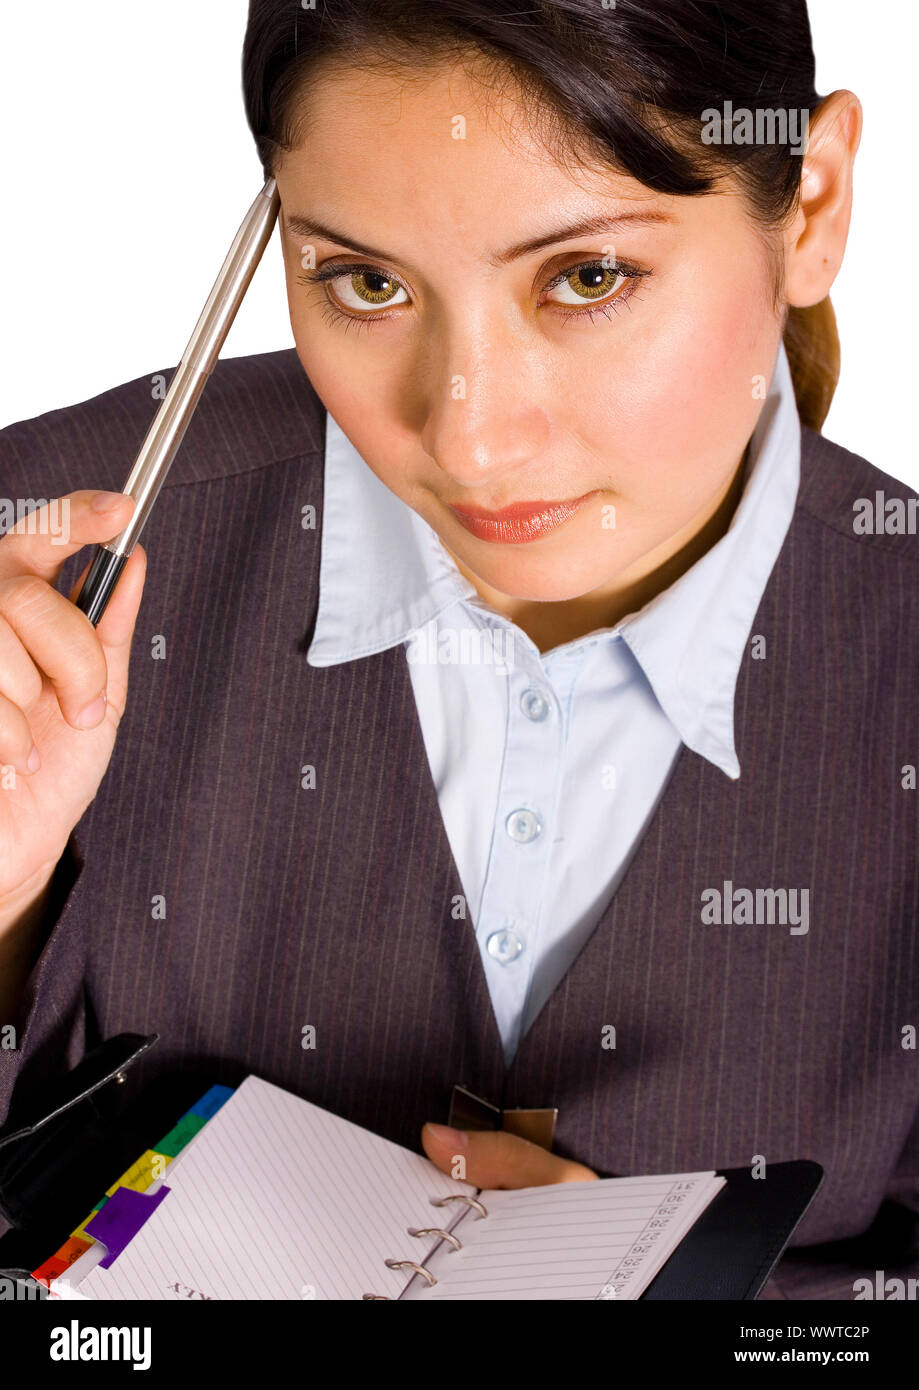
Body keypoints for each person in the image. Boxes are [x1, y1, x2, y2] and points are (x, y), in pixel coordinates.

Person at [0, 0, 916, 1300]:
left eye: (587, 276)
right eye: (365, 282)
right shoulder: (31, 543)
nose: (470, 436)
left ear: (811, 206)